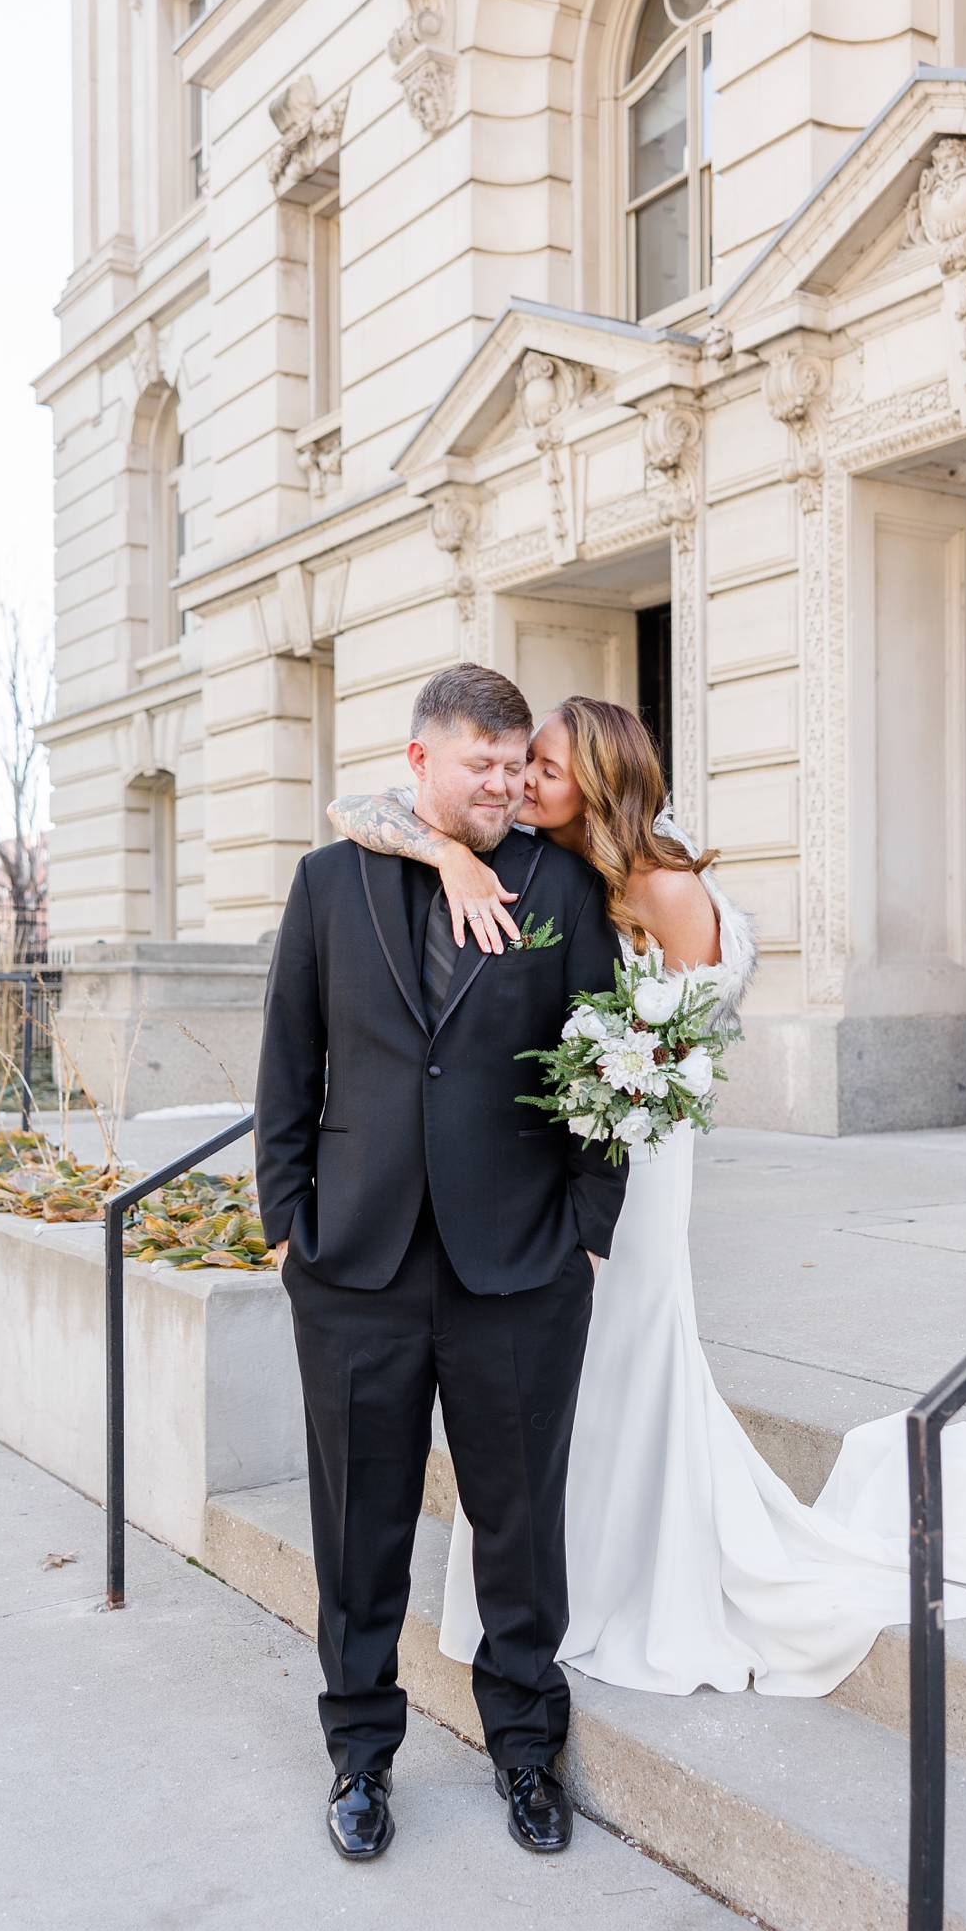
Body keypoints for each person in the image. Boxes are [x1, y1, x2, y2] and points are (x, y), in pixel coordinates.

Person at [330, 693, 966, 1705]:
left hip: (636, 1153)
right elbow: (359, 807)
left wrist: (609, 1098)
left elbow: (676, 1050)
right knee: (553, 1373)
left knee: (619, 1349)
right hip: (560, 1149)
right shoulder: (527, 852)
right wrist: (447, 856)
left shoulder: (657, 886)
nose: (521, 783)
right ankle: (564, 1579)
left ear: (599, 785)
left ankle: (625, 1582)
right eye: (521, 766)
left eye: (547, 770)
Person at [254, 665, 628, 1865]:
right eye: (485, 766)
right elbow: (288, 1065)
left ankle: (527, 1752)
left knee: (519, 1523)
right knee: (357, 1526)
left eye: (520, 766)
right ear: (420, 761)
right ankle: (359, 1757)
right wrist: (286, 1219)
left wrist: (588, 1226)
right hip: (352, 1264)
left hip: (518, 1267)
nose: (509, 786)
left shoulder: (561, 882)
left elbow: (605, 1068)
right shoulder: (326, 884)